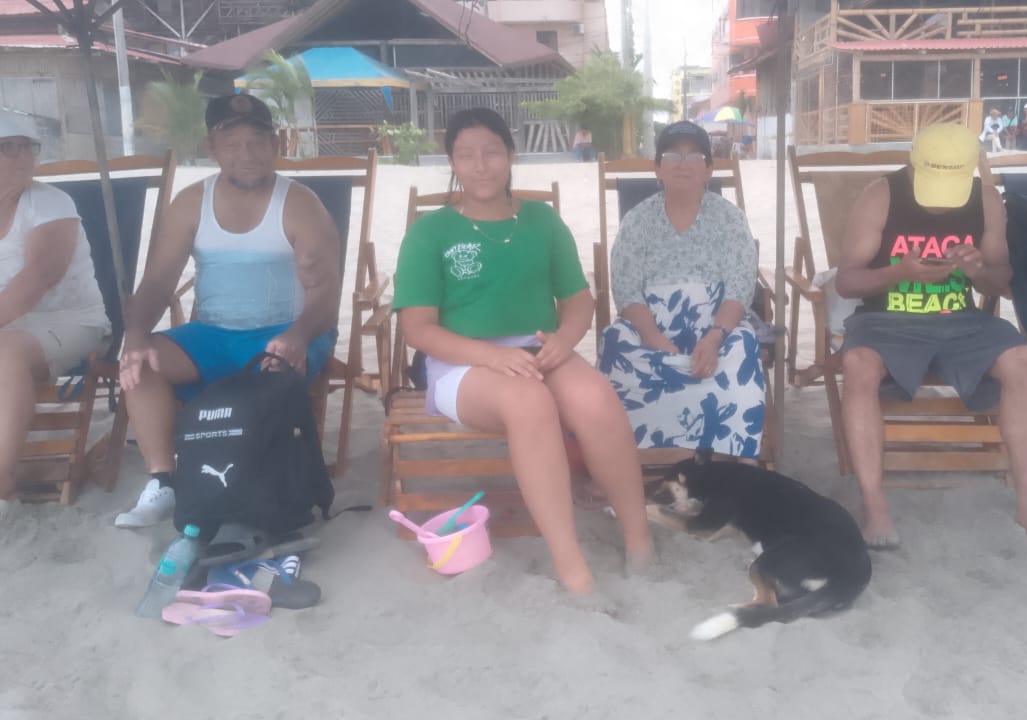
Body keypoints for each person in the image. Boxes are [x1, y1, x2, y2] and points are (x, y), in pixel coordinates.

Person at [393, 107, 653, 594]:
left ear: (511, 155)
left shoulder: (541, 220)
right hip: (461, 364)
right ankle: (572, 565)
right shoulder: (431, 232)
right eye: (465, 155)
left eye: (491, 152)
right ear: (452, 162)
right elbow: (417, 328)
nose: (480, 165)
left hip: (538, 351)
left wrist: (565, 339)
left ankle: (639, 542)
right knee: (528, 402)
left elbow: (578, 300)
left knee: (596, 396)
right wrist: (491, 357)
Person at [113, 94, 341, 528]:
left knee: (273, 375)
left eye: (257, 141)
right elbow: (158, 282)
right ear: (211, 148)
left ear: (276, 144)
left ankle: (261, 481)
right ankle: (164, 480)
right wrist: (136, 336)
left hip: (286, 332)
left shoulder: (300, 204)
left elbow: (327, 294)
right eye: (232, 144)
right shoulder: (190, 203)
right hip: (212, 334)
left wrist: (298, 335)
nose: (246, 154)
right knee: (143, 364)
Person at [832, 123, 1027, 548]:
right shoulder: (881, 196)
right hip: (885, 320)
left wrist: (977, 270)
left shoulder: (986, 200)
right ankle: (875, 507)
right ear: (913, 164)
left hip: (960, 320)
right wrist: (897, 272)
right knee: (857, 363)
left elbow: (1000, 282)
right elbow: (846, 282)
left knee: (1022, 358)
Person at [598, 121, 766, 462]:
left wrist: (714, 338)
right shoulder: (637, 220)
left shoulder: (730, 219)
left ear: (709, 169)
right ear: (657, 168)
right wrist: (653, 337)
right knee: (615, 343)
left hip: (717, 332)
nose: (683, 164)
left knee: (744, 347)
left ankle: (732, 464)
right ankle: (621, 460)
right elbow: (626, 288)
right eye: (673, 156)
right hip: (649, 332)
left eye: (694, 157)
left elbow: (740, 287)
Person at [0, 109, 110, 515]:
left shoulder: (50, 203)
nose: (22, 156)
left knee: (5, 352)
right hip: (13, 325)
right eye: (7, 148)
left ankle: (2, 478)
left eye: (27, 146)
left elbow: (38, 278)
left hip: (74, 322)